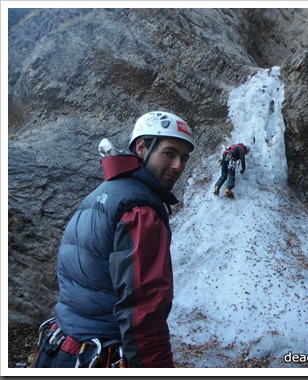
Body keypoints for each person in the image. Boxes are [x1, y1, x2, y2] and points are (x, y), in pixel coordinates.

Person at [31, 111, 194, 368]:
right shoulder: (140, 210)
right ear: (141, 148)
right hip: (101, 353)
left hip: (61, 345)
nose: (178, 166)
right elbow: (144, 310)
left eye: (184, 158)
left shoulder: (101, 194)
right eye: (170, 153)